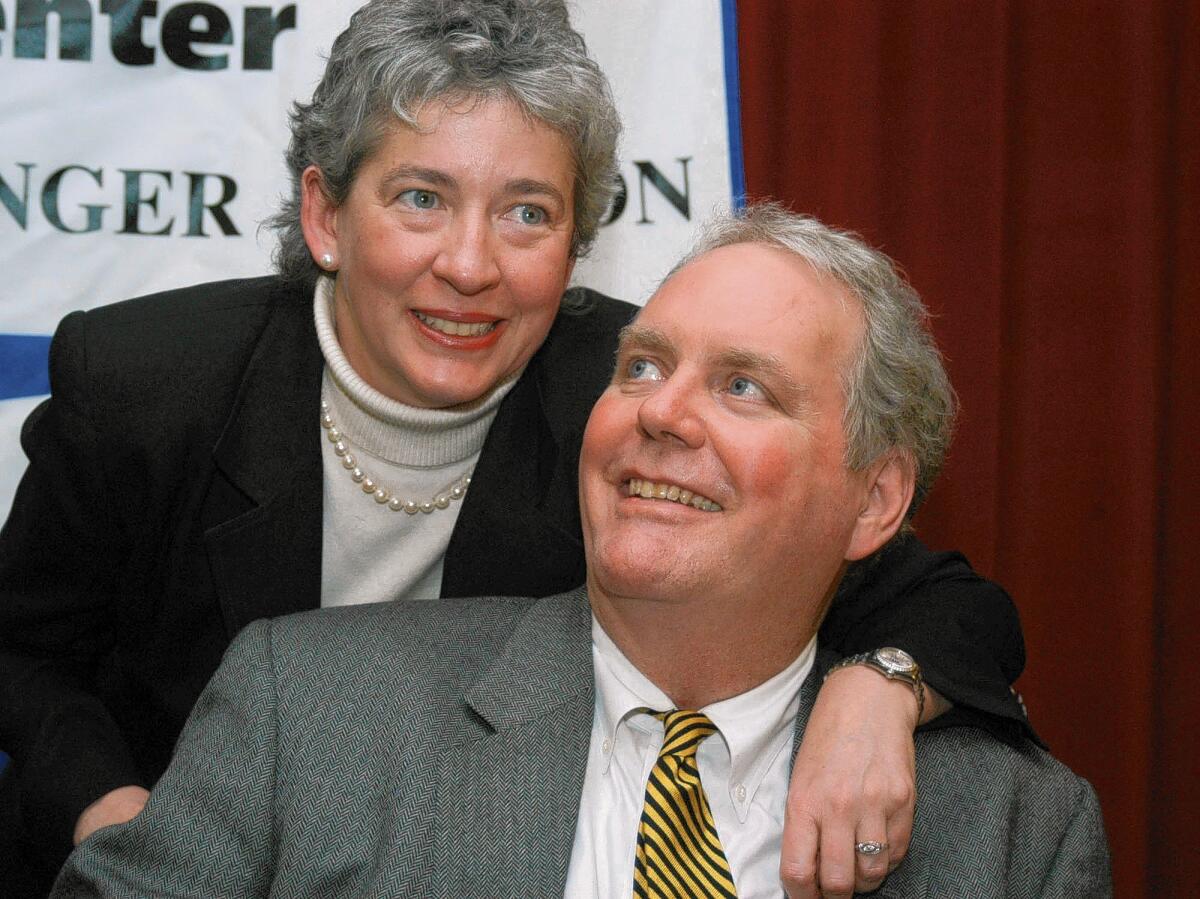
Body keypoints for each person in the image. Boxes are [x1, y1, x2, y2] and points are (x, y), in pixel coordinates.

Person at [0, 2, 1025, 895]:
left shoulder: (630, 400)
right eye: (421, 198)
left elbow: (940, 594)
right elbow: (21, 644)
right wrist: (107, 801)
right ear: (324, 214)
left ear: (578, 247)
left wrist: (881, 682)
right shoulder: (148, 383)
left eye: (527, 213)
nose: (471, 263)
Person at [52, 204, 1110, 898]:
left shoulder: (1013, 834)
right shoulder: (309, 710)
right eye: (643, 366)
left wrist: (882, 681)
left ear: (877, 498)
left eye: (743, 386)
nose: (663, 414)